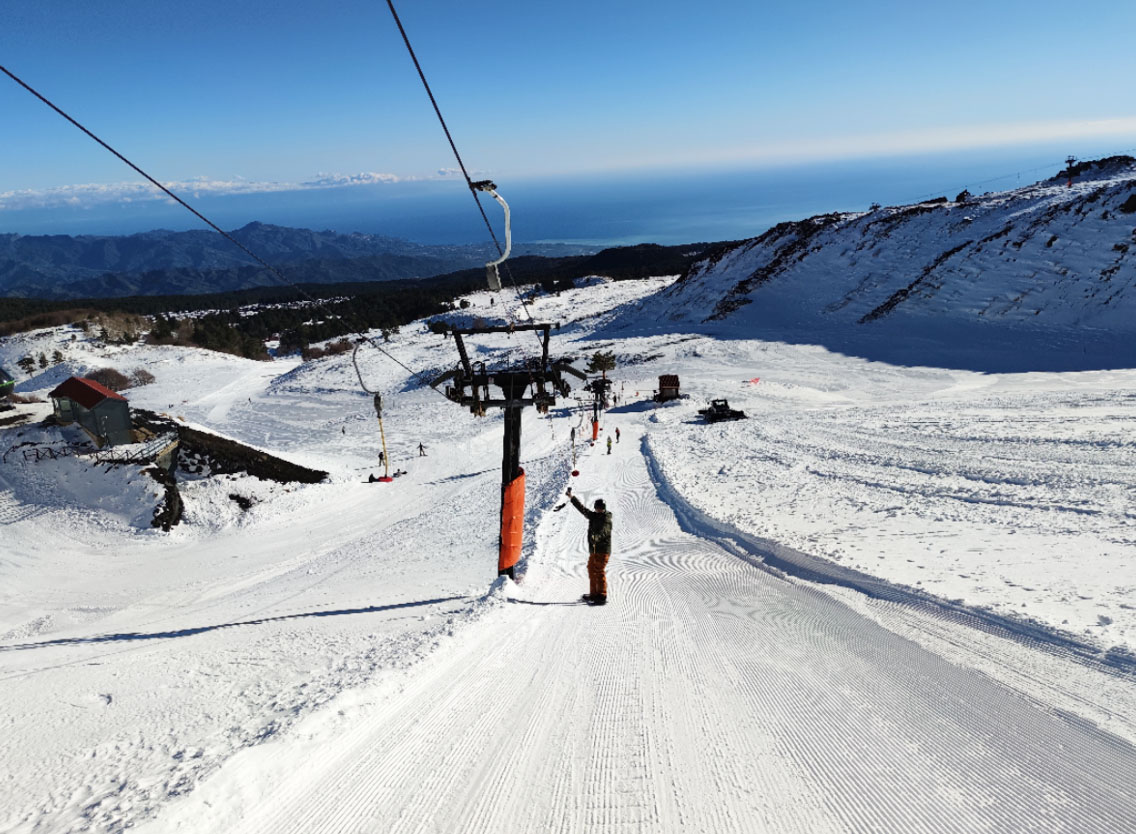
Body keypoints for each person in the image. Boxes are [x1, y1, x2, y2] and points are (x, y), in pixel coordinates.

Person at [567, 487, 612, 605]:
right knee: (591, 569)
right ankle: (593, 594)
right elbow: (583, 510)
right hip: (594, 550)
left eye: (601, 508)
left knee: (599, 570)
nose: (599, 510)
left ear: (604, 509)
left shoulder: (606, 518)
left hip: (602, 550)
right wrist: (572, 498)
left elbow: (604, 531)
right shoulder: (594, 516)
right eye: (597, 508)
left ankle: (602, 594)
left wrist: (596, 538)